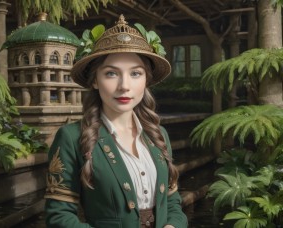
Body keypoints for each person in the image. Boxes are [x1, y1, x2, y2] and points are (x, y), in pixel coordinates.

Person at [44, 15, 188, 228]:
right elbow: (59, 218)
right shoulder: (72, 137)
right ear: (94, 80)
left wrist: (172, 226)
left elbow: (172, 202)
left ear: (146, 80)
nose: (124, 85)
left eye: (136, 73)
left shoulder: (158, 135)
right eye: (111, 73)